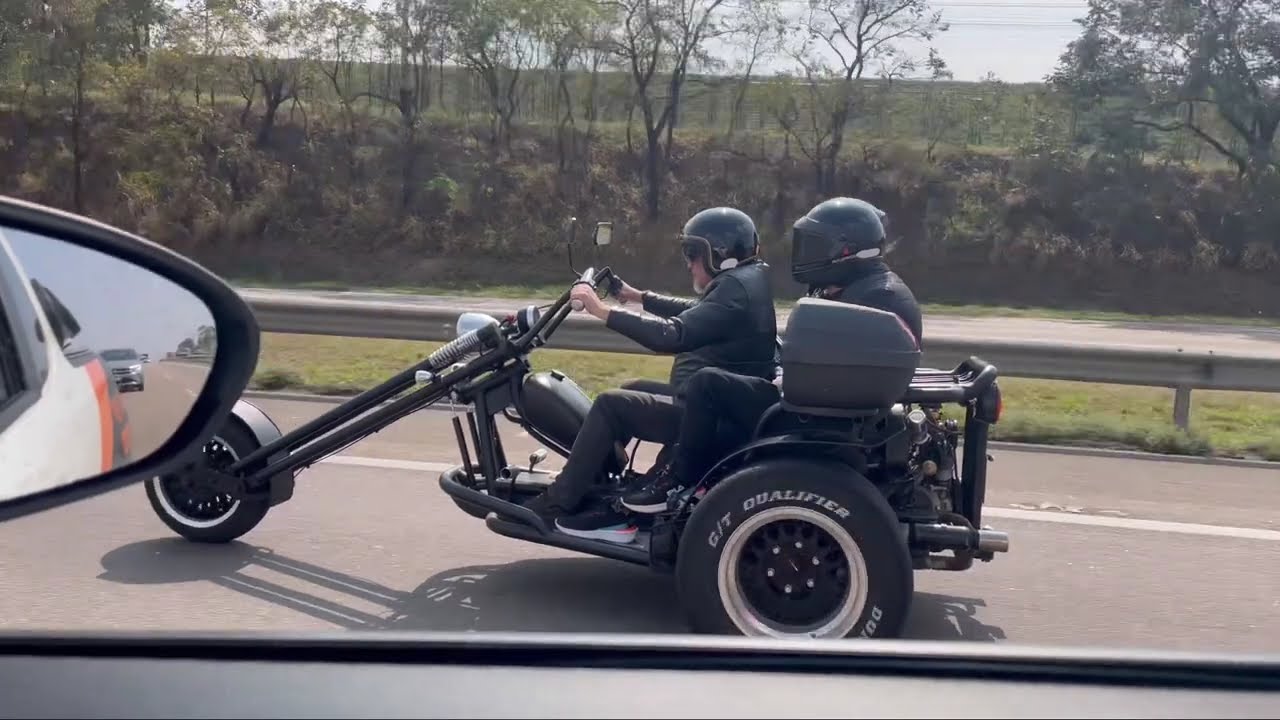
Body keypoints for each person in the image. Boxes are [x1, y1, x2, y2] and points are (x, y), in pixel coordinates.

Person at [618, 196, 924, 514]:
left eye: (815, 245)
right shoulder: (864, 287)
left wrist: (783, 378)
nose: (806, 253)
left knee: (705, 383)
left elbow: (844, 367)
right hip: (818, 405)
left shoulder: (876, 296)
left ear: (845, 250)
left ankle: (683, 481)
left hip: (806, 413)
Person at [523, 206, 778, 543]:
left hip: (708, 417)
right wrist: (638, 297)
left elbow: (671, 335)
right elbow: (697, 313)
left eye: (692, 253)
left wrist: (602, 311)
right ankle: (600, 481)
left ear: (717, 254)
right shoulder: (748, 279)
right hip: (720, 407)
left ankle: (559, 502)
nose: (687, 262)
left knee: (612, 404)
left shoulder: (735, 289)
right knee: (632, 388)